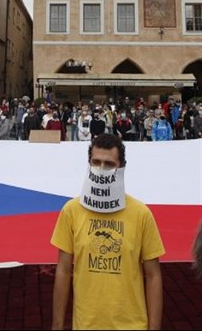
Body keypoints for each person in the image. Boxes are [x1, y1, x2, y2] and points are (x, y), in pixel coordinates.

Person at [51, 133, 164, 330]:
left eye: (109, 164)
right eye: (96, 162)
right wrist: (57, 325)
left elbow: (153, 275)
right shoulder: (71, 211)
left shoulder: (141, 214)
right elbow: (63, 270)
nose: (101, 169)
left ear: (121, 167)